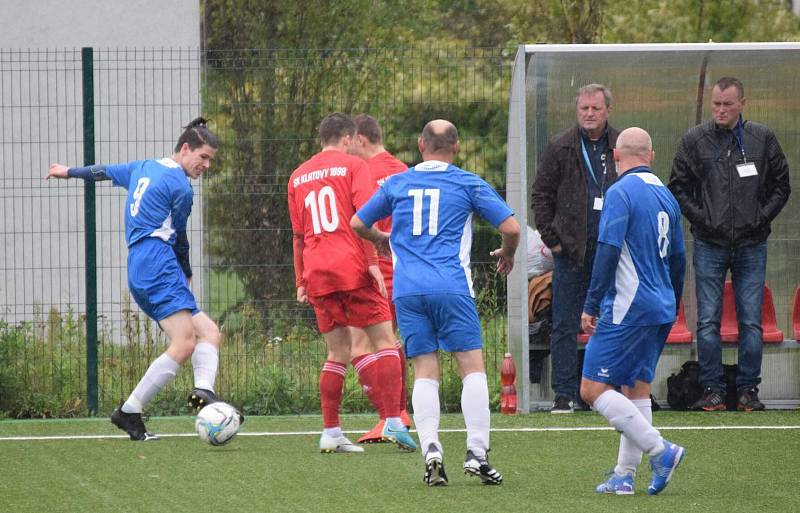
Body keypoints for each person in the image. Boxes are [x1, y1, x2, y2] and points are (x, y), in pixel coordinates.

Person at [351, 119, 520, 487]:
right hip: (451, 287)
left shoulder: (397, 183)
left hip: (408, 291)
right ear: (456, 147)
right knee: (472, 368)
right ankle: (477, 452)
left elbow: (357, 222)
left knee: (424, 371)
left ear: (420, 144)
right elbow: (511, 228)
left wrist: (382, 238)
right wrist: (507, 255)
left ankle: (432, 449)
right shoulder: (466, 182)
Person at [45, 117, 235, 441]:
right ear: (185, 148)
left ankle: (203, 392)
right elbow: (180, 239)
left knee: (209, 332)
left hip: (141, 262)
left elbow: (102, 171)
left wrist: (69, 171)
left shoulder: (141, 167)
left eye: (210, 161)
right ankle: (129, 411)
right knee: (185, 342)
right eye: (203, 157)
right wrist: (186, 272)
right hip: (157, 261)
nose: (206, 165)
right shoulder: (180, 187)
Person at [287, 112, 415, 454]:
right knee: (385, 340)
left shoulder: (298, 176)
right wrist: (373, 263)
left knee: (337, 351)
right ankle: (393, 419)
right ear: (347, 139)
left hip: (317, 271)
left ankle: (331, 431)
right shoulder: (353, 166)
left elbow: (298, 236)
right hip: (352, 267)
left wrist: (300, 279)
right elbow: (363, 218)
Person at [668, 77, 791, 412]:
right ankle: (713, 390)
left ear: (742, 104)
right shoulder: (695, 140)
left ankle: (748, 389)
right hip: (709, 243)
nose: (720, 110)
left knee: (750, 319)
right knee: (707, 319)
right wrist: (703, 219)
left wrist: (760, 217)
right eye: (716, 104)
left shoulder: (761, 138)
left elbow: (782, 184)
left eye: (727, 104)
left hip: (752, 243)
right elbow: (678, 186)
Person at [579, 127, 687, 496]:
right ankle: (624, 475)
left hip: (629, 305)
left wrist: (591, 304)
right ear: (651, 156)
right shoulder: (667, 197)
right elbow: (678, 259)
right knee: (636, 387)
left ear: (615, 156)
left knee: (592, 388)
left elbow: (607, 250)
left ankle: (661, 450)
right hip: (660, 305)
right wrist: (671, 301)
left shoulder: (620, 192)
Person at [531, 83, 620, 413]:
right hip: (570, 253)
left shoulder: (620, 145)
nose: (589, 113)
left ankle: (608, 387)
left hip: (612, 253)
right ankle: (565, 393)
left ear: (607, 110)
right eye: (584, 108)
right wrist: (553, 241)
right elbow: (541, 196)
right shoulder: (561, 146)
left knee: (612, 321)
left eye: (595, 108)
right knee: (564, 324)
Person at [347, 113, 411, 444]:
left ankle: (390, 417)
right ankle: (399, 413)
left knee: (358, 345)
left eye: (349, 142)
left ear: (360, 139)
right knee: (389, 341)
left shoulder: (363, 172)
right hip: (403, 268)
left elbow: (356, 224)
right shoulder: (402, 170)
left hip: (374, 267)